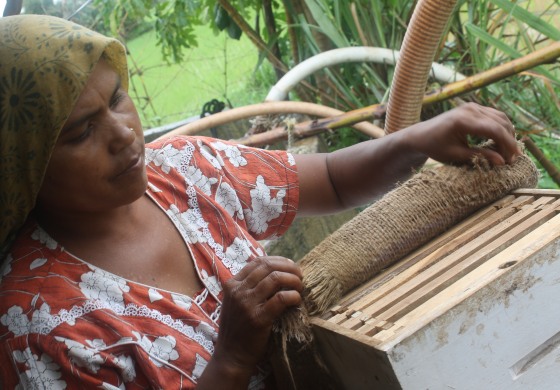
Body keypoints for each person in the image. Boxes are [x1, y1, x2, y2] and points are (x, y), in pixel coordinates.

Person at [0, 14, 520, 390]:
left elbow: (332, 182)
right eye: (80, 133)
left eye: (117, 99)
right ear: (20, 165)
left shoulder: (182, 168)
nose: (123, 135)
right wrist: (230, 360)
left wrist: (416, 140)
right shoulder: (39, 326)